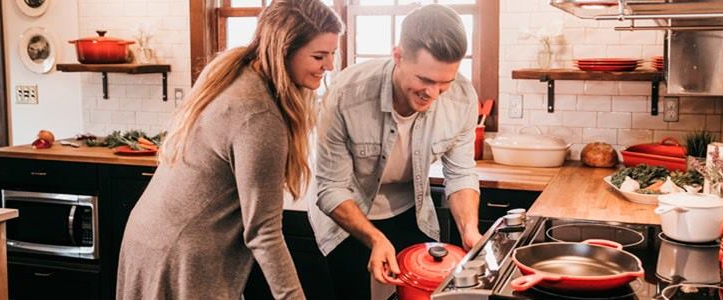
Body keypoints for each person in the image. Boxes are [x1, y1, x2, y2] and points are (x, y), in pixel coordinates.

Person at [116, 1, 342, 299]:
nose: (329, 66)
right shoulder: (259, 115)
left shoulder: (237, 72)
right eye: (319, 56)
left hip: (151, 238)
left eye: (332, 54)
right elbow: (264, 233)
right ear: (283, 49)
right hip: (182, 254)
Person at [309, 4, 482, 299]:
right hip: (347, 217)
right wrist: (375, 238)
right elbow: (331, 188)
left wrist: (469, 229)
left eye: (445, 83)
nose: (433, 93)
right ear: (398, 55)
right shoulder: (345, 94)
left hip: (412, 212)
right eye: (425, 80)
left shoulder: (462, 98)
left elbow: (461, 172)